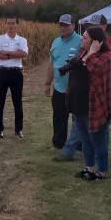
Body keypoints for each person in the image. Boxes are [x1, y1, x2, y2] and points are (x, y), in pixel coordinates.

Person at [67, 27, 111, 181]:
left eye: (85, 38)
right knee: (85, 139)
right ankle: (89, 168)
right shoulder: (82, 53)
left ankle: (102, 171)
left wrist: (92, 54)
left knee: (97, 140)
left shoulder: (106, 56)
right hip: (79, 104)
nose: (82, 40)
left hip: (94, 106)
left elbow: (96, 69)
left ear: (96, 41)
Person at [45, 14, 82, 153]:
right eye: (61, 25)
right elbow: (51, 63)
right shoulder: (56, 42)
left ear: (73, 25)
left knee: (77, 119)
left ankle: (78, 146)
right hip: (59, 87)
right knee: (59, 116)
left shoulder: (81, 40)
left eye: (66, 25)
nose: (63, 27)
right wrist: (47, 83)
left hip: (75, 88)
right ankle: (58, 144)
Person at [0, 17, 28, 138]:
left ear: (17, 25)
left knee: (17, 102)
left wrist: (6, 53)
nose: (10, 26)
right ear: (5, 25)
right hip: (2, 72)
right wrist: (14, 54)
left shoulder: (22, 40)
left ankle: (18, 129)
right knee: (0, 102)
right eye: (8, 23)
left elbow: (24, 54)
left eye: (13, 23)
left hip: (16, 73)